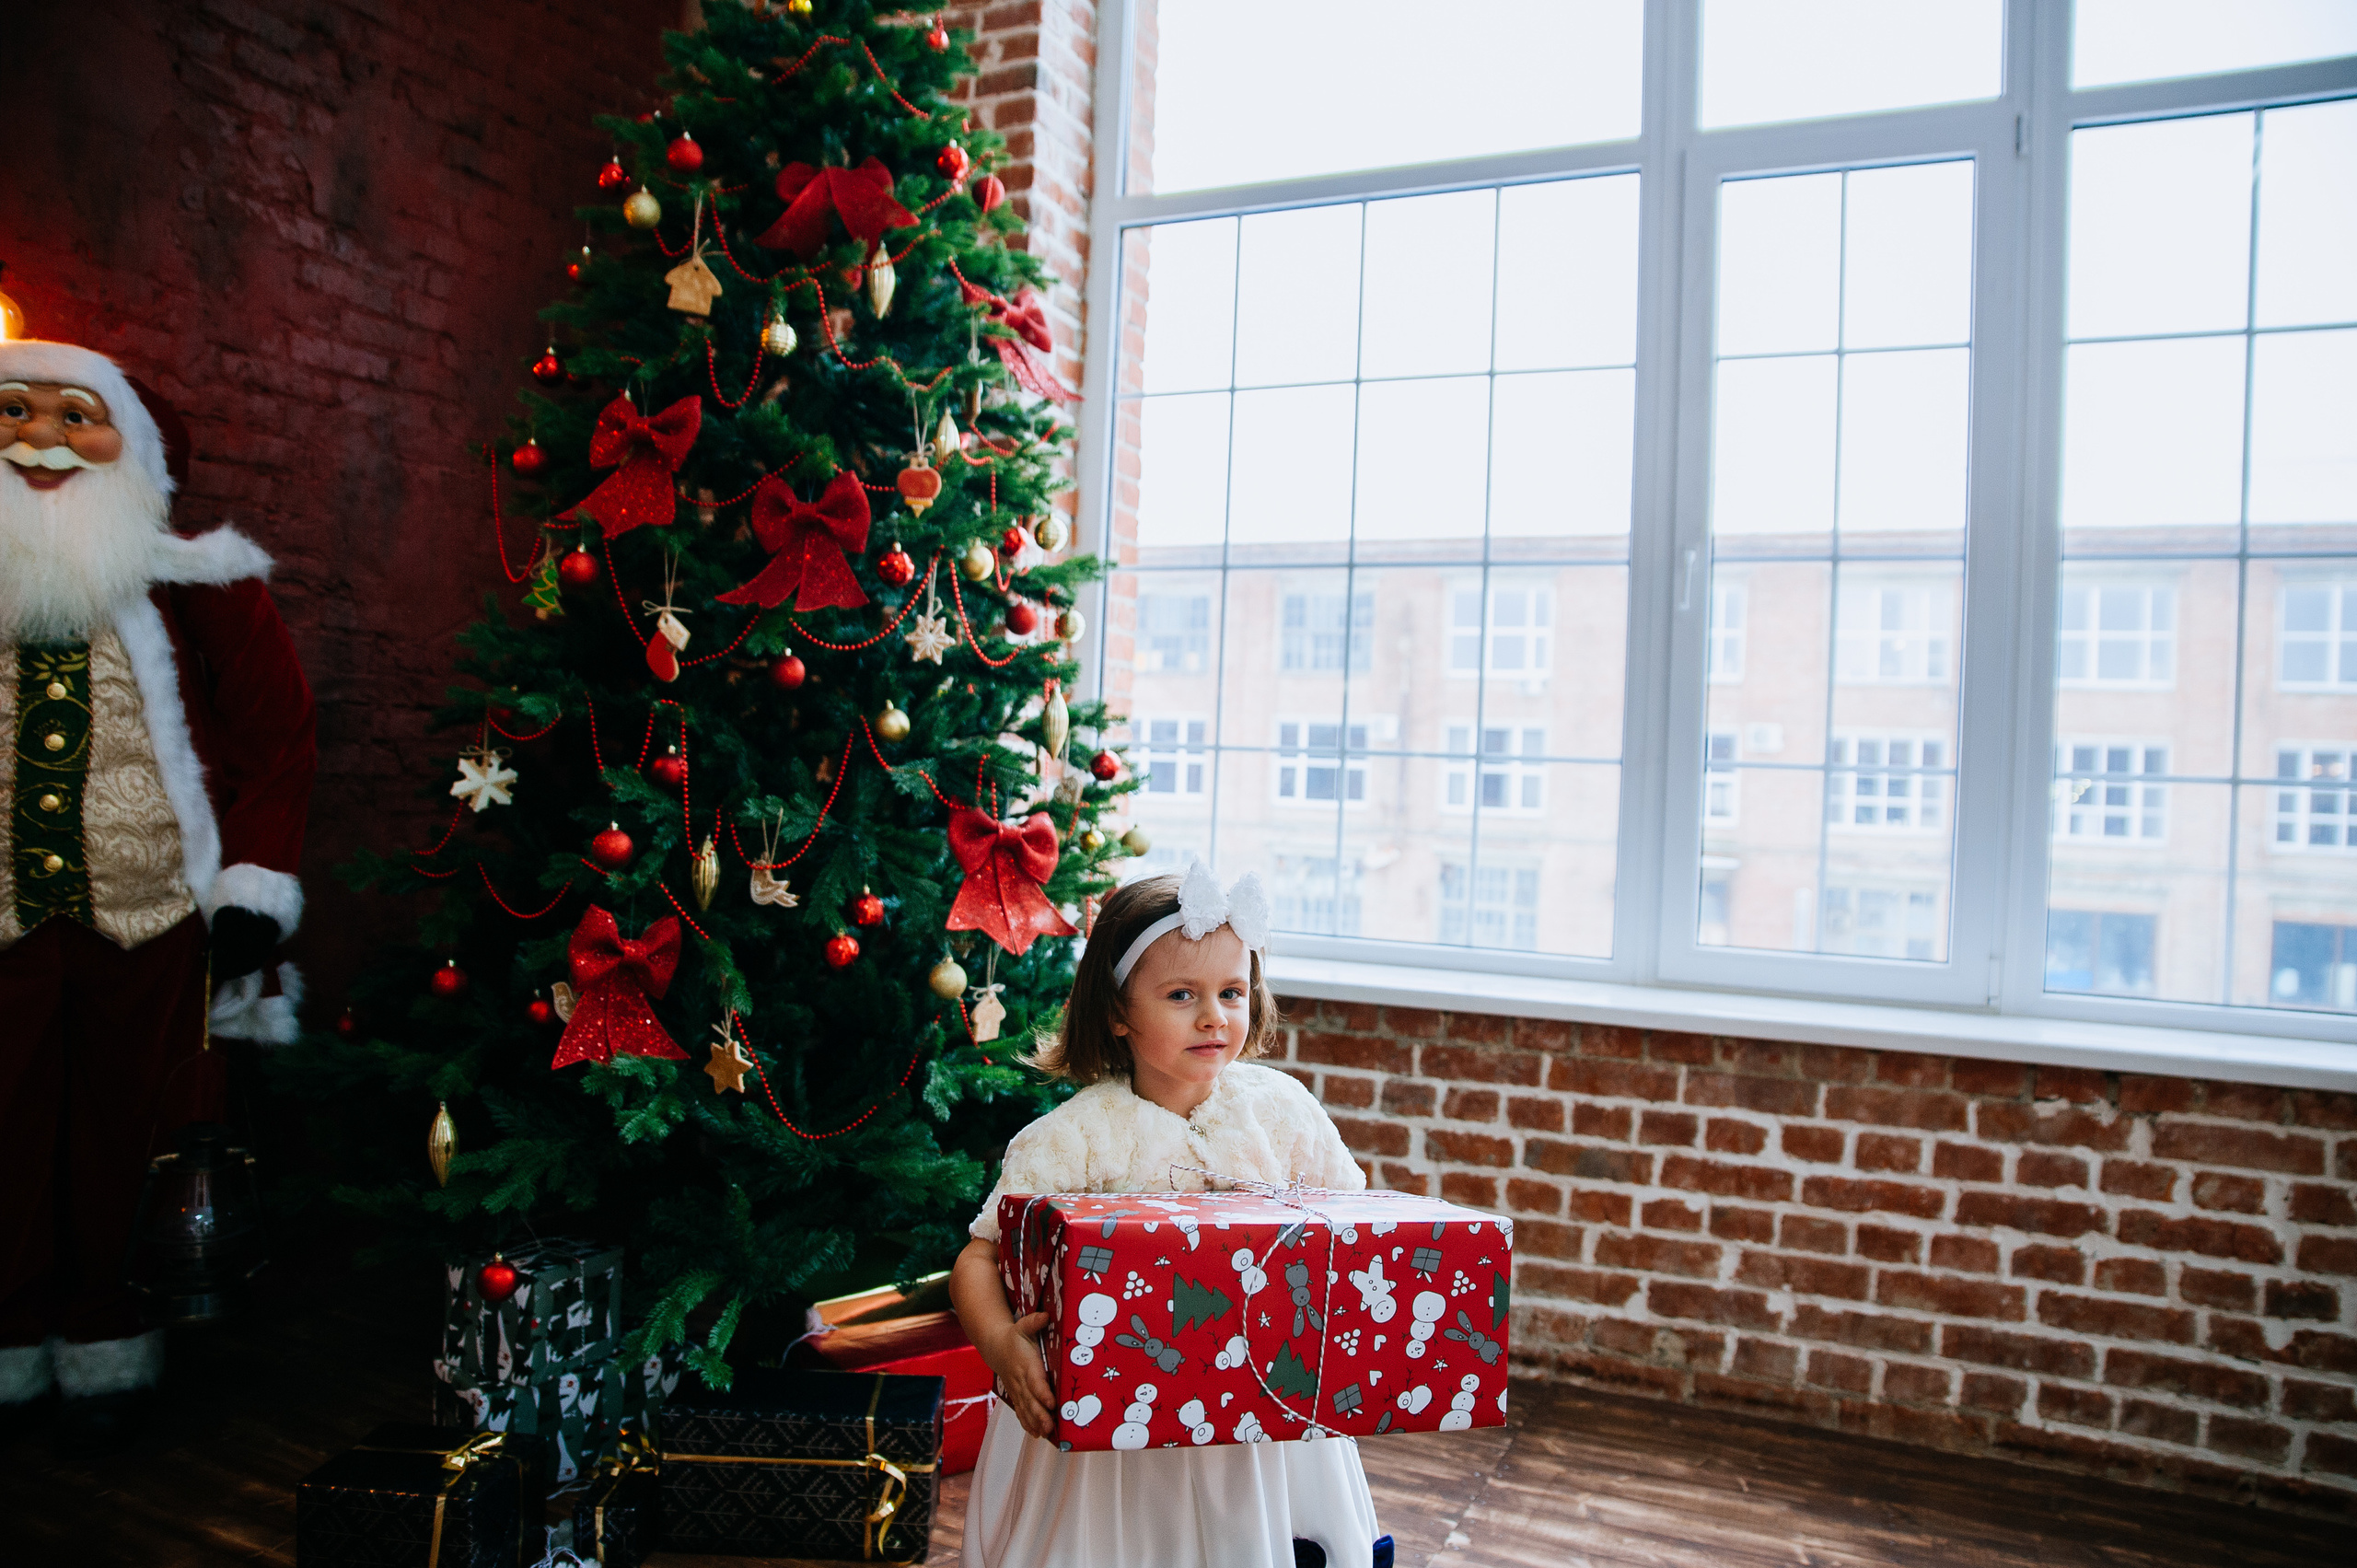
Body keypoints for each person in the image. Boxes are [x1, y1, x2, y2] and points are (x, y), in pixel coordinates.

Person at [0, 338, 316, 1456]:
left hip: (150, 915)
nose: (42, 438)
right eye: (16, 410)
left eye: (75, 416)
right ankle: (7, 1343)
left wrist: (253, 882)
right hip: (4, 919)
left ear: (129, 444)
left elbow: (278, 734)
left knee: (126, 1136)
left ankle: (105, 1344)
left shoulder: (199, 580)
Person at [949, 865, 1381, 1568]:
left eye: (1232, 992)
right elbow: (978, 1256)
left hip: (1262, 1414)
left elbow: (1354, 1228)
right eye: (1182, 994)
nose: (1214, 1016)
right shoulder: (1073, 1138)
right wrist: (1003, 1346)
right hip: (1110, 1432)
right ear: (1118, 1012)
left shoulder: (1284, 1112)